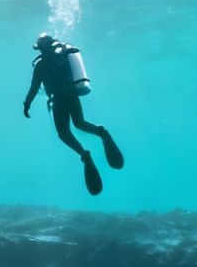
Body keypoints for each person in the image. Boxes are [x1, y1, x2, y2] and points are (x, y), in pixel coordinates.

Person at [23, 33, 123, 196]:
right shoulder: (63, 56)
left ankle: (84, 154)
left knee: (63, 133)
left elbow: (34, 88)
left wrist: (27, 105)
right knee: (80, 123)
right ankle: (101, 132)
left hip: (58, 98)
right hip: (72, 94)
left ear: (40, 47)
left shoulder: (41, 65)